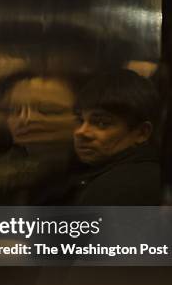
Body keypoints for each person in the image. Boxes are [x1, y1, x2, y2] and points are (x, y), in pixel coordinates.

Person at [61, 69, 162, 205]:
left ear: (141, 133)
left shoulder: (120, 188)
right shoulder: (96, 175)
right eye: (80, 120)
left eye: (101, 123)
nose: (81, 132)